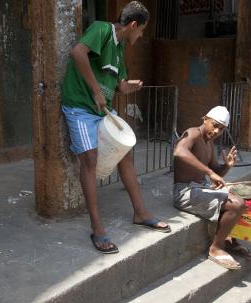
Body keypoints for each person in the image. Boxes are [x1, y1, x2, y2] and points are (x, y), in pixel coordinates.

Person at [61, 1, 170, 254]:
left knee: (125, 154)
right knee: (89, 159)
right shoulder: (101, 30)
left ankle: (141, 213)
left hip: (102, 111)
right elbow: (77, 53)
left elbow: (118, 85)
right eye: (141, 30)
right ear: (133, 25)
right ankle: (97, 229)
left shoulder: (120, 51)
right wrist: (97, 90)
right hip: (80, 106)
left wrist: (128, 86)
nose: (141, 36)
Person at [173, 106, 248, 270]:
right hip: (185, 192)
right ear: (205, 118)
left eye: (221, 129)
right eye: (214, 125)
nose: (216, 131)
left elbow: (216, 172)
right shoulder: (193, 133)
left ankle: (229, 239)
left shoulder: (209, 145)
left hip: (201, 188)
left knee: (245, 198)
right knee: (236, 204)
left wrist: (227, 166)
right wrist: (209, 172)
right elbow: (179, 151)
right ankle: (216, 248)